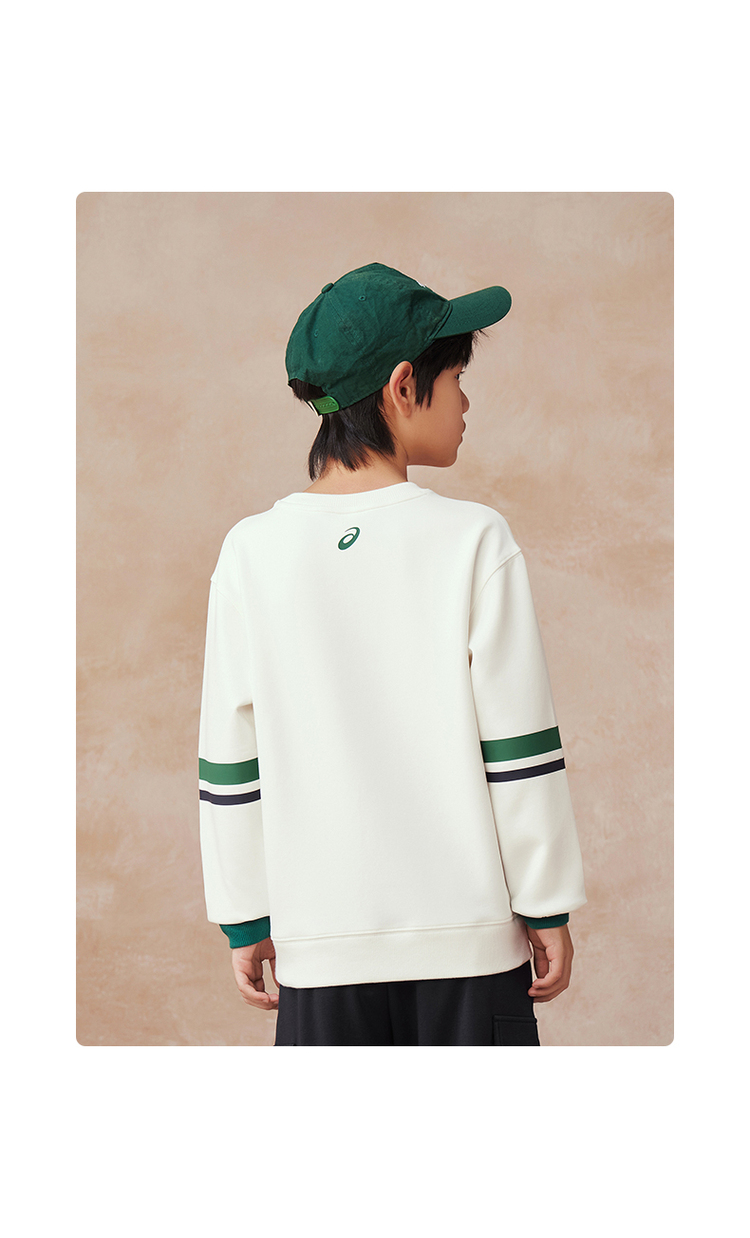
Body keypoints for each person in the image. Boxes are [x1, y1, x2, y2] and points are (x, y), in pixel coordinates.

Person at [197, 262, 587, 1045]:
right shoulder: (473, 539)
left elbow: (230, 762)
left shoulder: (251, 552)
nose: (466, 402)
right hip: (472, 949)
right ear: (404, 386)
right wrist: (546, 903)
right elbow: (518, 746)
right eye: (457, 379)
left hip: (319, 953)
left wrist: (245, 917)